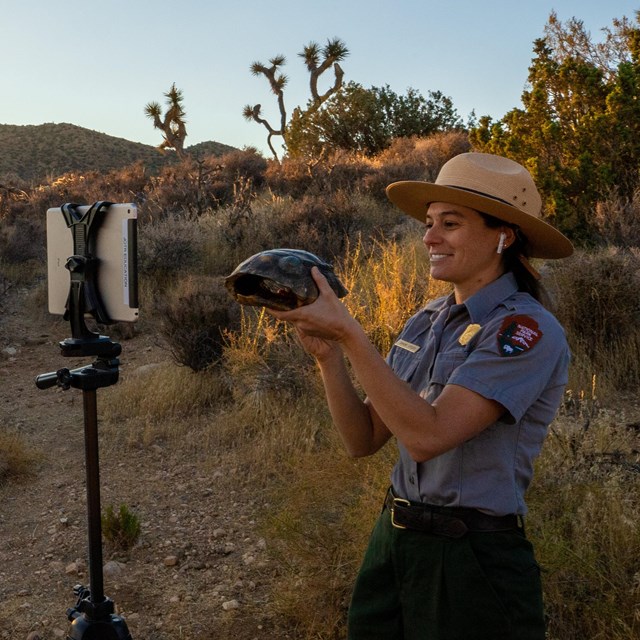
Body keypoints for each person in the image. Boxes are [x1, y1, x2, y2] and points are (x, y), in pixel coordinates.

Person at [268, 152, 574, 640]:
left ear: (504, 235)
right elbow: (363, 438)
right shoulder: (426, 320)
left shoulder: (525, 329)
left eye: (449, 224)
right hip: (395, 540)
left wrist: (351, 334)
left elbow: (428, 436)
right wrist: (329, 357)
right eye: (429, 223)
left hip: (472, 559)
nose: (429, 237)